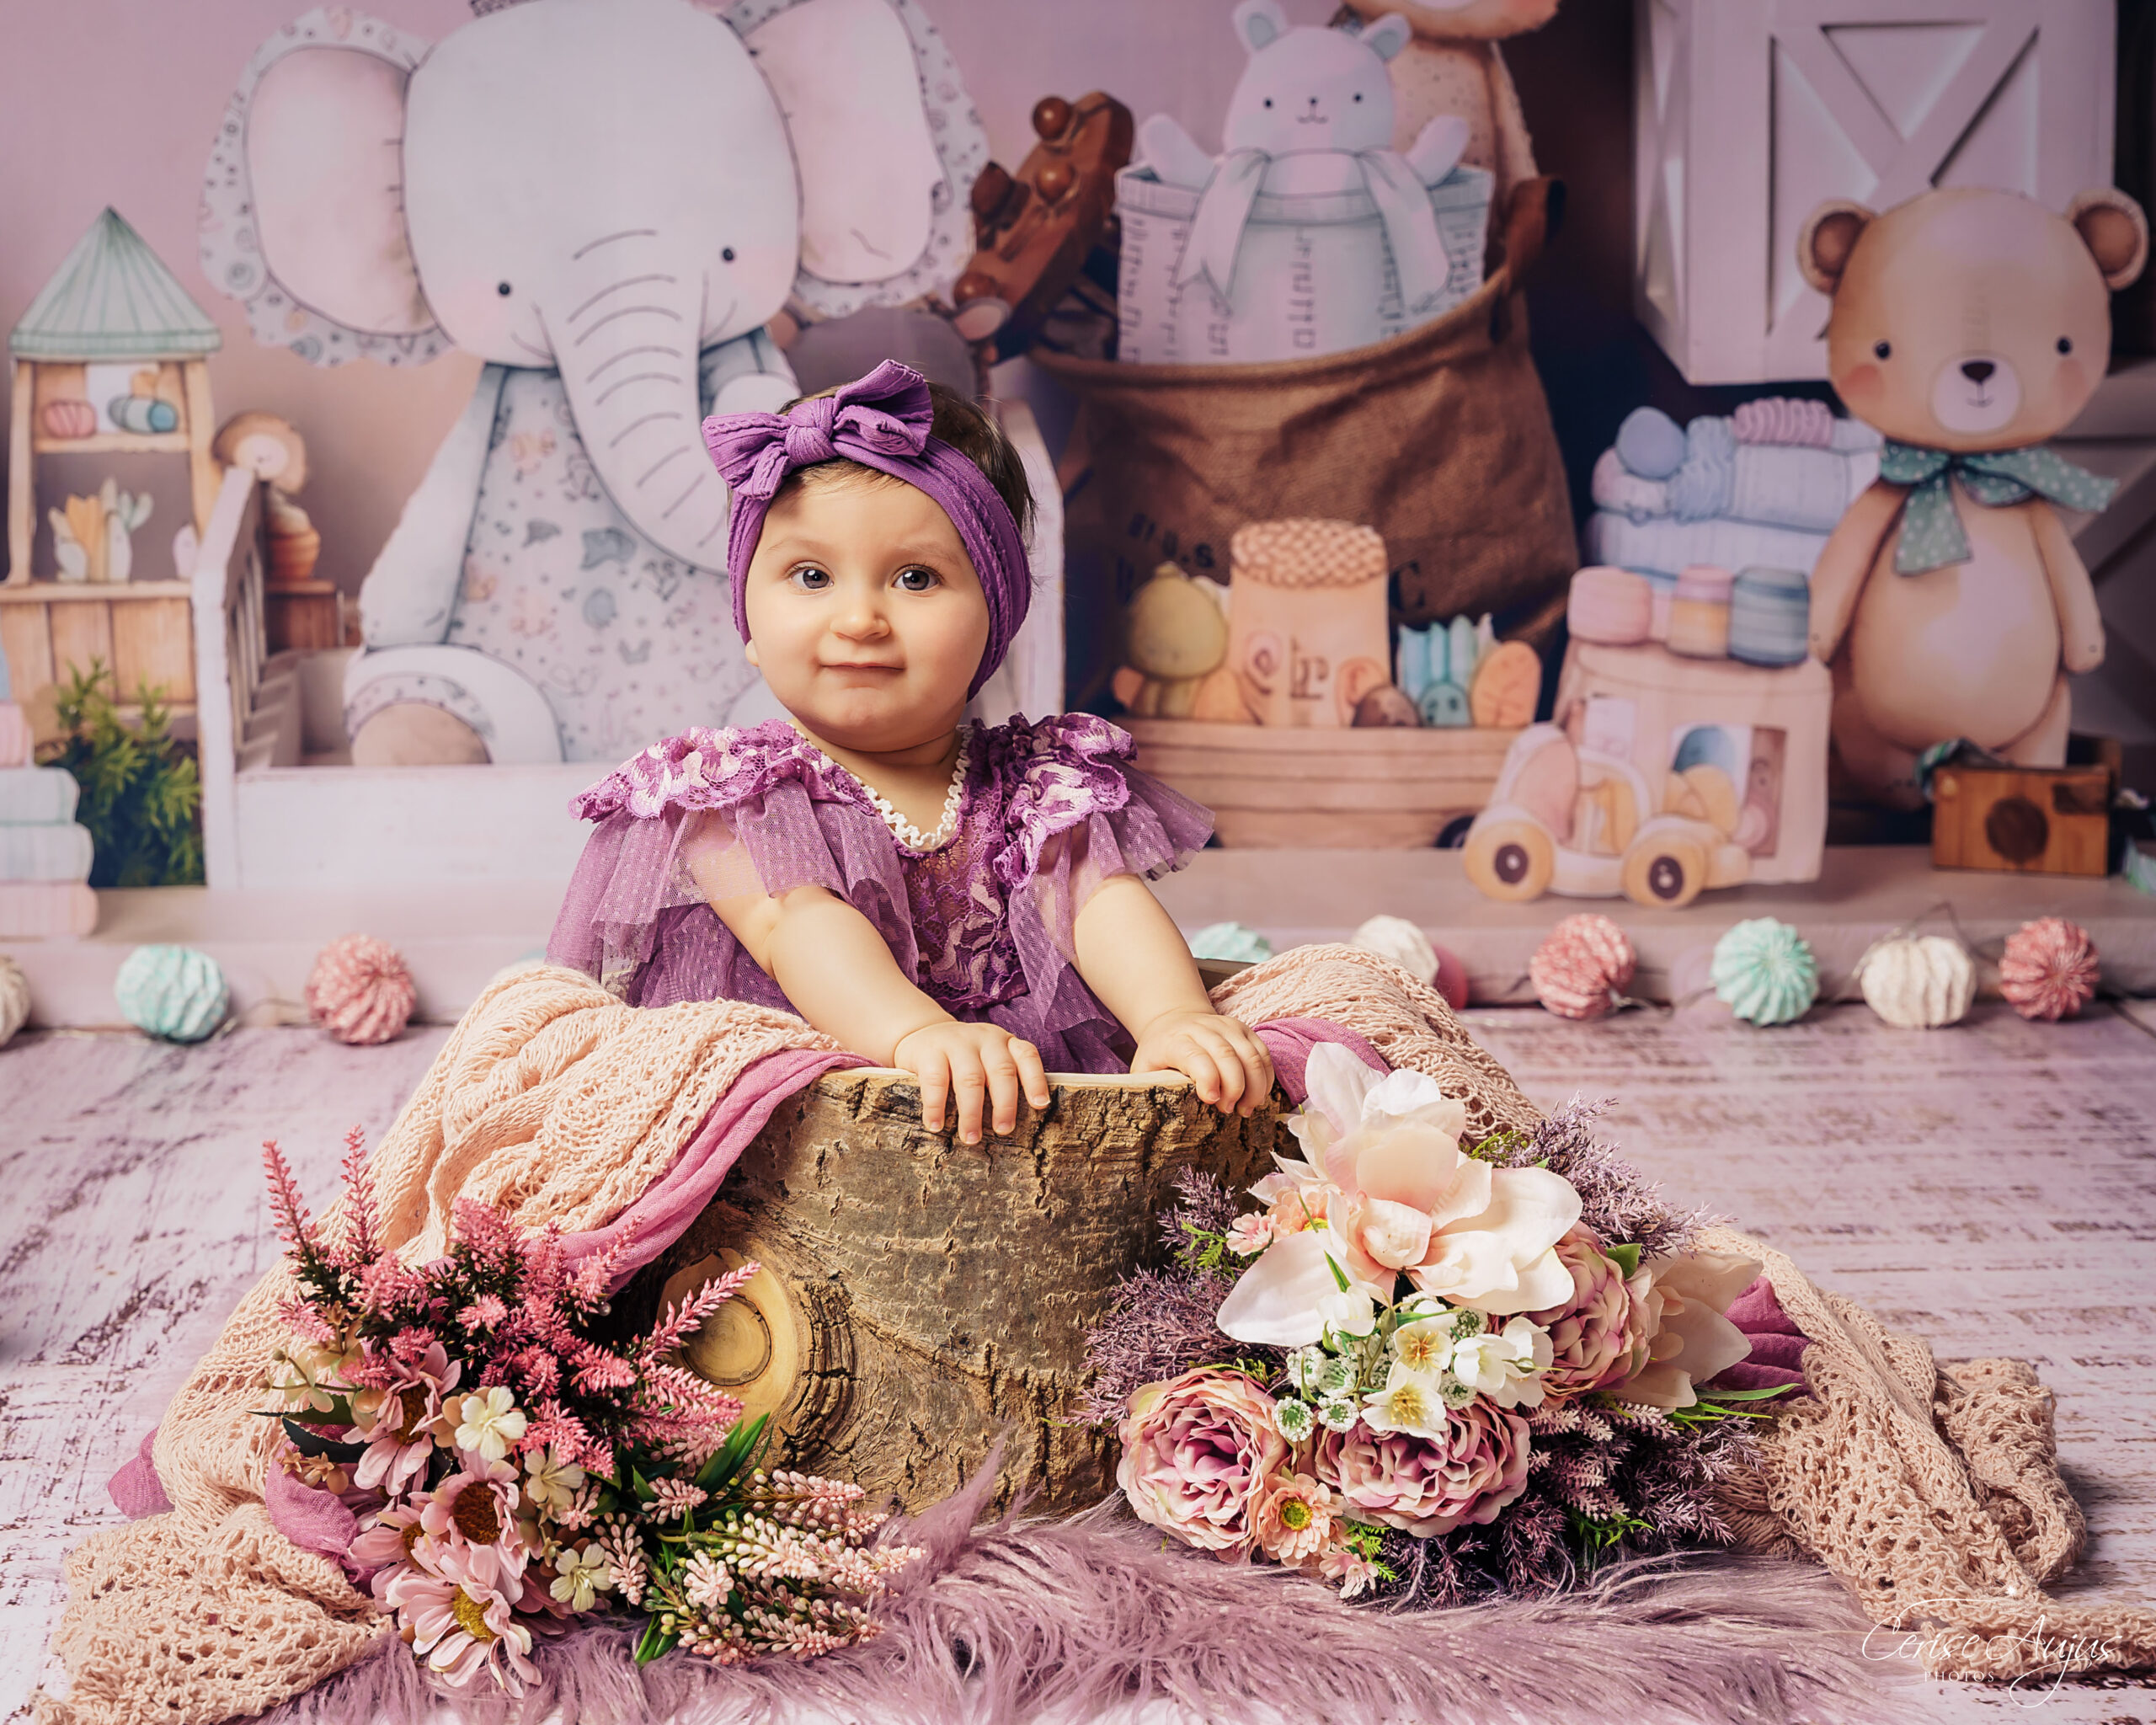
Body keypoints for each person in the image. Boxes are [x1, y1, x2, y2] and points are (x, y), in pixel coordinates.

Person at [548, 360, 1274, 1146]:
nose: (859, 618)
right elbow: (797, 926)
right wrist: (914, 1034)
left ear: (995, 618)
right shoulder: (733, 796)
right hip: (804, 1102)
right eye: (812, 575)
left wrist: (1171, 1015)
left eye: (916, 578)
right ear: (750, 620)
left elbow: (1099, 904)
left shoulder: (1036, 784)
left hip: (1018, 1082)